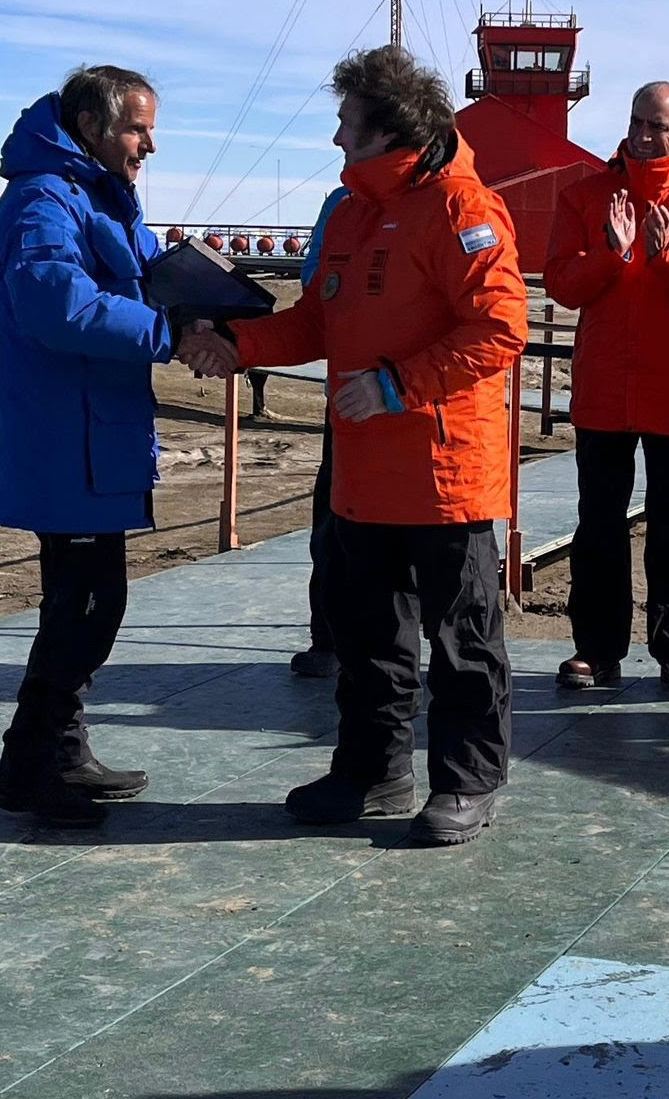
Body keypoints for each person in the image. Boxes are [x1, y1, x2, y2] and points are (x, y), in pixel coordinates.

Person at [193, 45, 527, 845]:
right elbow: (318, 321)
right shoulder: (349, 213)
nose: (336, 138)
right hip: (363, 471)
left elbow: (500, 327)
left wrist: (396, 385)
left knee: (461, 640)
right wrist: (236, 342)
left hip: (445, 472)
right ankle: (373, 771)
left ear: (386, 129)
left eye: (346, 123)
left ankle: (466, 782)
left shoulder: (462, 208)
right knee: (368, 634)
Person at [0, 64, 213, 826]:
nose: (149, 143)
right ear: (91, 126)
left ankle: (48, 753)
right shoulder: (43, 198)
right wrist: (167, 334)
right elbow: (56, 302)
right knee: (84, 605)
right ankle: (39, 765)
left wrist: (205, 296)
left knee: (86, 604)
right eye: (136, 127)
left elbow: (137, 277)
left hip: (97, 434)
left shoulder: (98, 195)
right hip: (66, 437)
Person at [543, 81, 669, 694]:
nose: (642, 134)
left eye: (658, 126)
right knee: (599, 523)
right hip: (606, 389)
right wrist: (613, 253)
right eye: (637, 121)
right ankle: (597, 650)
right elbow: (561, 282)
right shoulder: (586, 194)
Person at [290, 182, 350, 681]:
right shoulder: (342, 204)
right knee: (332, 520)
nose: (339, 141)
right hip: (349, 397)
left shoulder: (454, 204)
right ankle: (328, 635)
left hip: (420, 409)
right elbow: (316, 290)